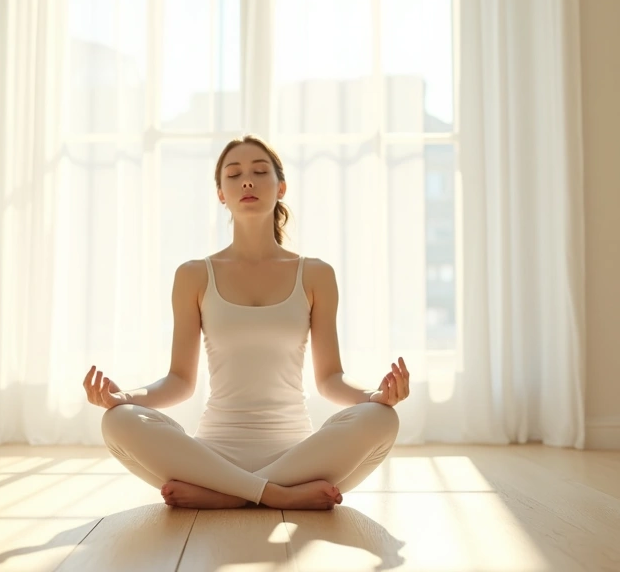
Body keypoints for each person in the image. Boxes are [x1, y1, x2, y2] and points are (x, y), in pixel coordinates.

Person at [82, 134, 409, 511]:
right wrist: (123, 398)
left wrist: (375, 397)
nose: (247, 181)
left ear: (281, 187)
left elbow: (329, 379)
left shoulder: (316, 274)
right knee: (117, 422)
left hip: (299, 456)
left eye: (259, 171)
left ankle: (227, 495)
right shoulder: (194, 275)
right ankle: (276, 495)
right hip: (213, 455)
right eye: (234, 175)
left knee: (382, 420)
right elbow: (180, 382)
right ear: (221, 193)